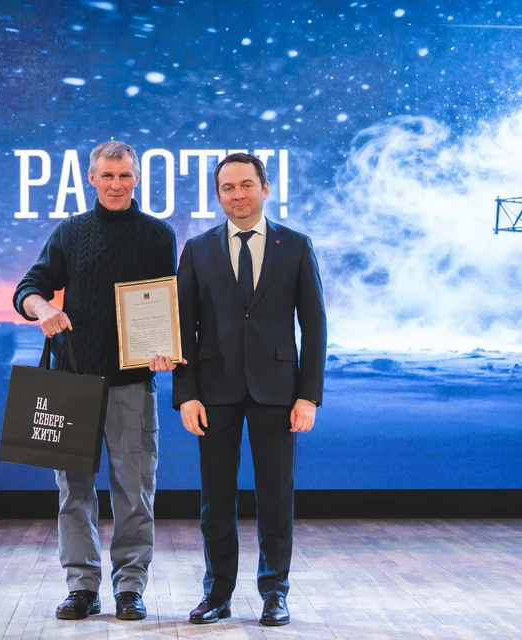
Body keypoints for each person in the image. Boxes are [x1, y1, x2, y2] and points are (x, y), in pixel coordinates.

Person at [13, 141, 177, 622]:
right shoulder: (71, 231)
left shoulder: (158, 235)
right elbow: (28, 288)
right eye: (107, 175)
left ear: (137, 178)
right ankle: (81, 588)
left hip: (132, 385)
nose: (116, 184)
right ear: (91, 178)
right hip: (72, 384)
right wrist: (43, 308)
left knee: (135, 492)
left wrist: (165, 346)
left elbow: (166, 301)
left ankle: (130, 588)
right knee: (74, 493)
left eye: (124, 176)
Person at [169, 152, 327, 626]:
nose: (237, 195)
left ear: (264, 188)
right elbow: (181, 327)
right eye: (227, 187)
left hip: (278, 393)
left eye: (245, 185)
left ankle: (274, 592)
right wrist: (186, 393)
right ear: (218, 195)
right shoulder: (197, 249)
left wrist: (308, 395)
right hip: (213, 392)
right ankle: (217, 593)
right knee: (216, 500)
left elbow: (314, 324)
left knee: (276, 497)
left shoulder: (295, 246)